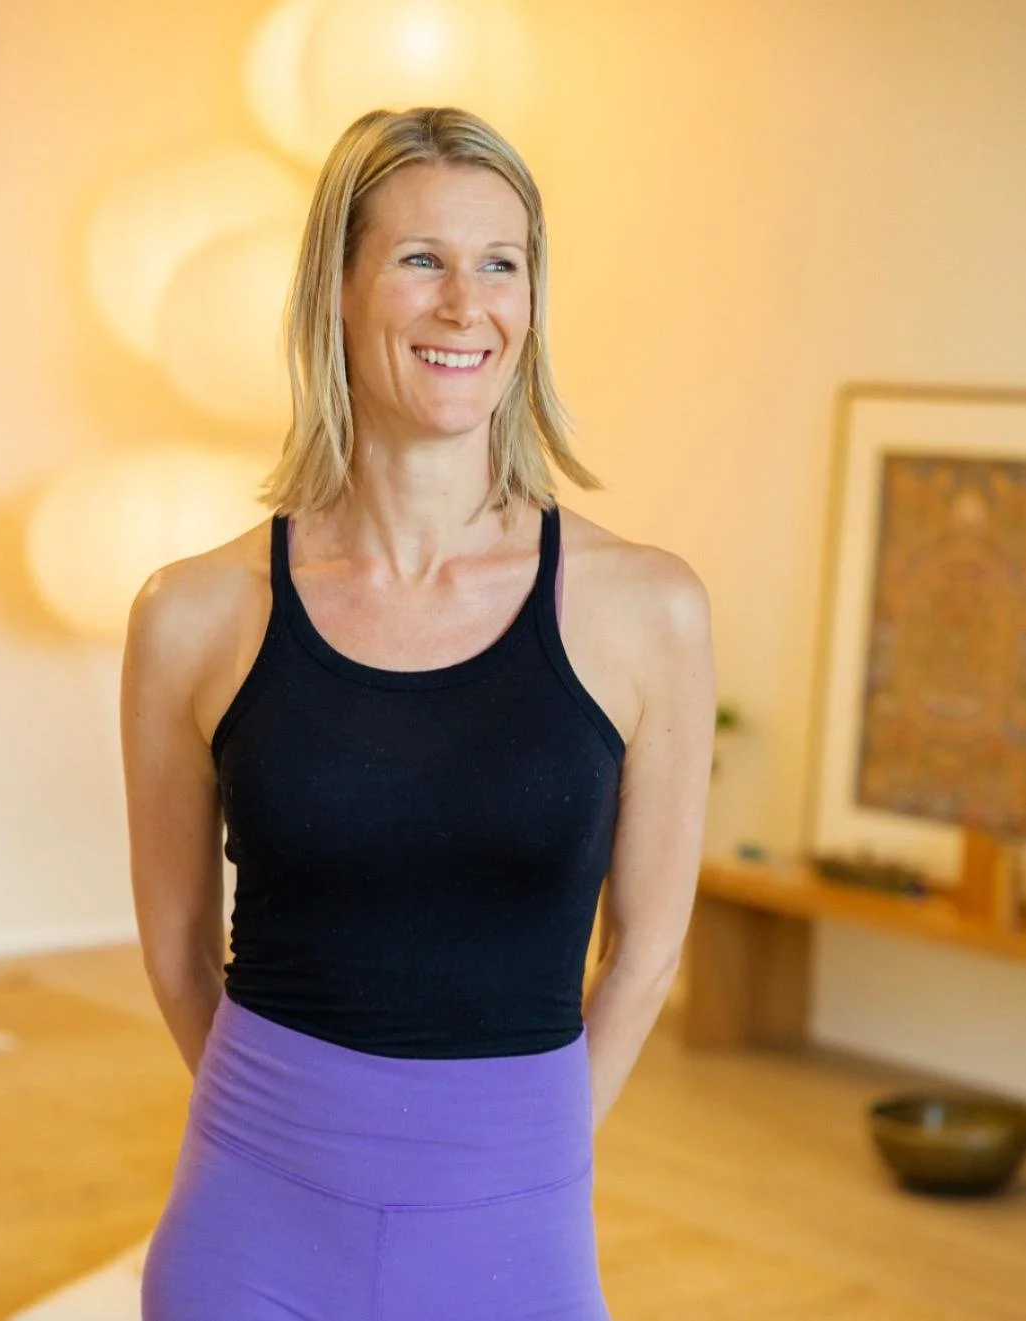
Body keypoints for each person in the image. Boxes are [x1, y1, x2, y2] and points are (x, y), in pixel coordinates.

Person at [120, 104, 716, 1321]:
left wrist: (509, 1160)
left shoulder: (646, 608)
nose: (467, 305)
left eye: (502, 263)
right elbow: (180, 946)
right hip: (253, 1224)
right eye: (420, 261)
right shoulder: (192, 613)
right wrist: (295, 1138)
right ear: (335, 290)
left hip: (514, 1226)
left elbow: (645, 950)